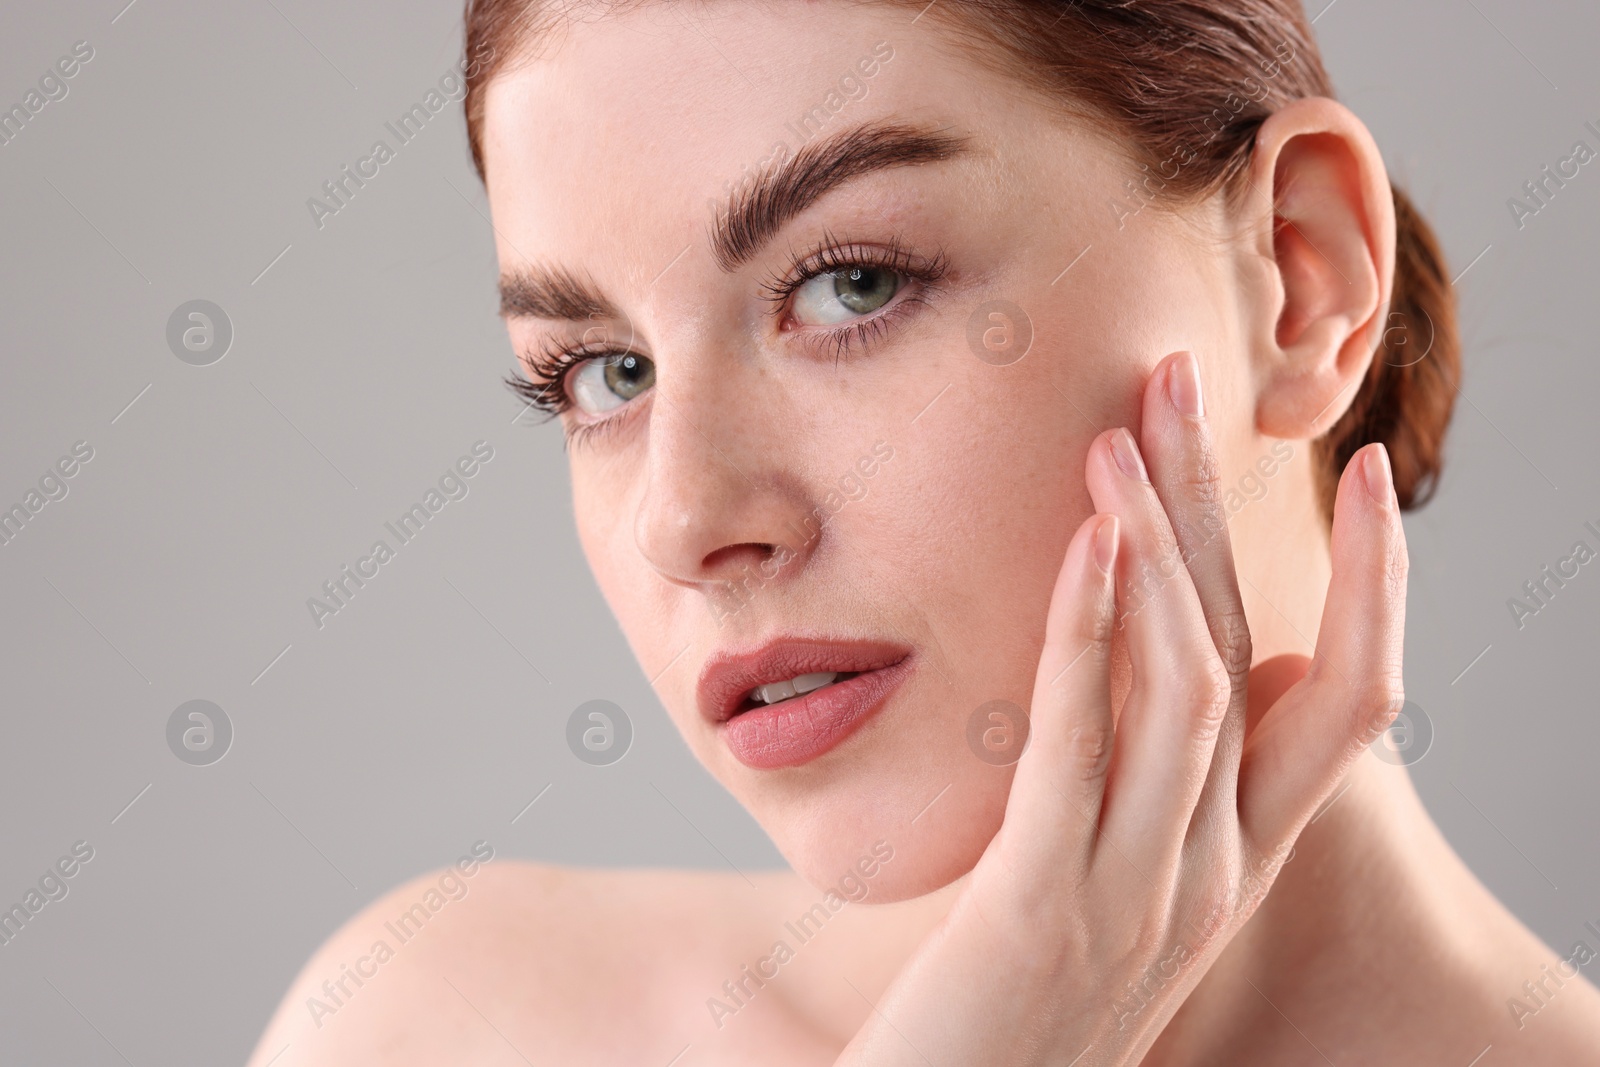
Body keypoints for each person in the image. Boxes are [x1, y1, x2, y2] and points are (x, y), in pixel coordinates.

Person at [249, 1, 1600, 1062]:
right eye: (604, 373)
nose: (686, 518)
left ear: (1301, 277)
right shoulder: (431, 1030)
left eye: (852, 284)